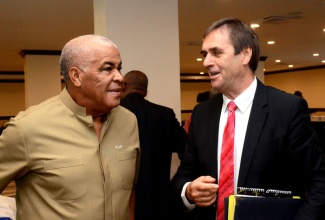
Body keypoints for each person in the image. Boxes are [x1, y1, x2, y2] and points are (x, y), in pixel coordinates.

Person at [172, 17, 325, 220]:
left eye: (216, 52)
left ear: (245, 54)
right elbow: (184, 175)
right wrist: (189, 191)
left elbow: (318, 181)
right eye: (204, 54)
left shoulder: (286, 110)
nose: (206, 62)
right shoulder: (202, 114)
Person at [0, 35, 140, 220]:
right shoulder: (26, 128)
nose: (120, 78)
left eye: (119, 68)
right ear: (76, 76)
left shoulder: (128, 122)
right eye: (108, 69)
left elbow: (128, 192)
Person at [120, 70, 187, 220]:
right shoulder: (165, 114)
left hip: (123, 199)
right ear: (145, 91)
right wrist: (177, 182)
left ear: (123, 86)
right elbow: (188, 152)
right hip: (159, 198)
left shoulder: (113, 112)